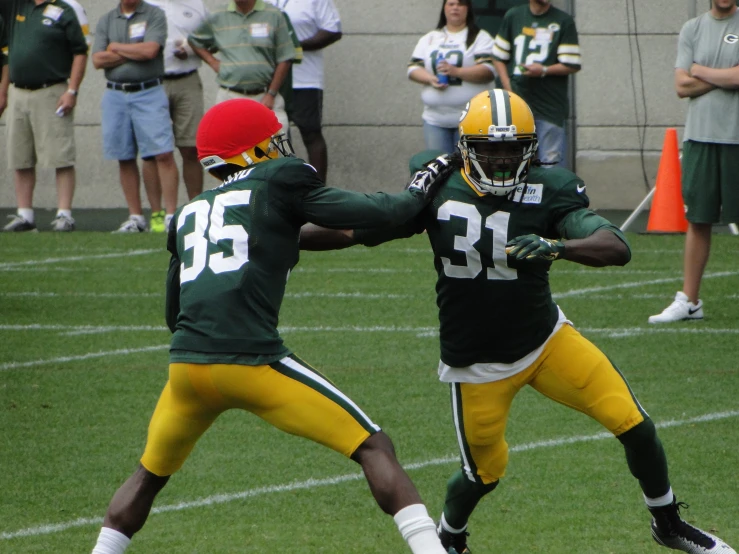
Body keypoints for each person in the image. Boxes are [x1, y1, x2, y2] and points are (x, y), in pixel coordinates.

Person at [299, 89, 736, 554]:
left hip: (546, 340)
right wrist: (280, 236)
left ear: (530, 148)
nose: (504, 161)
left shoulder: (550, 187)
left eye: (513, 149)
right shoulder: (438, 186)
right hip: (476, 361)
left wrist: (558, 246)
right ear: (465, 147)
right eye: (491, 149)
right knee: (482, 474)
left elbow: (615, 246)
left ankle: (668, 524)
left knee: (635, 424)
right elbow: (355, 230)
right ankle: (450, 537)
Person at [88, 98, 454, 554]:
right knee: (374, 446)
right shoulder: (279, 179)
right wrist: (418, 191)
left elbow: (176, 311)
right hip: (252, 362)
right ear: (252, 152)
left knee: (150, 474)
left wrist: (389, 227)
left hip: (186, 372)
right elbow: (376, 211)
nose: (280, 149)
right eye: (271, 142)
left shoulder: (190, 212)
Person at [648, 0, 739, 324]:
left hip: (736, 138)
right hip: (700, 138)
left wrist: (700, 70)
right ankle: (690, 301)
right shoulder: (693, 28)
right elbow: (681, 86)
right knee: (699, 220)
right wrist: (723, 76)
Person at [92, 0, 180, 234]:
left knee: (163, 153)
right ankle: (136, 217)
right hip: (115, 94)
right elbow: (97, 60)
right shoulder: (106, 20)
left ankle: (170, 215)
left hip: (149, 92)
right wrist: (133, 51)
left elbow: (150, 50)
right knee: (124, 155)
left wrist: (115, 48)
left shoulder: (154, 14)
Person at [1, 0, 88, 233]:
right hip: (18, 91)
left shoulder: (64, 11)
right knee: (20, 157)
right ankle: (25, 214)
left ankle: (64, 214)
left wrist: (72, 91)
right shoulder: (17, 6)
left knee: (61, 155)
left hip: (52, 91)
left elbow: (80, 52)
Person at [143, 0, 209, 231]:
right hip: (152, 81)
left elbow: (211, 39)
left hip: (187, 79)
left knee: (192, 148)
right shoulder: (146, 4)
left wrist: (191, 49)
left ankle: (195, 211)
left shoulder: (197, 4)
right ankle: (157, 215)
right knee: (154, 152)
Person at [492, 0, 581, 169]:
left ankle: (549, 196)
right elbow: (498, 57)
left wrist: (544, 70)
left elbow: (571, 63)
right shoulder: (514, 15)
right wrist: (509, 89)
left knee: (551, 165)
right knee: (513, 163)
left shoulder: (563, 20)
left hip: (549, 106)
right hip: (516, 105)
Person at [188, 0, 297, 134]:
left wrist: (271, 94)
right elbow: (194, 40)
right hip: (229, 97)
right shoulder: (218, 15)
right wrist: (213, 62)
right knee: (230, 150)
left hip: (266, 98)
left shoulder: (273, 15)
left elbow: (285, 58)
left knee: (278, 150)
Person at [265, 0, 342, 182]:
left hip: (305, 79)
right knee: (276, 135)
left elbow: (333, 30)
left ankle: (317, 190)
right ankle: (284, 184)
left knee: (310, 132)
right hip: (269, 81)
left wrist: (292, 46)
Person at [408, 0, 495, 154]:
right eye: (451, 3)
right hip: (435, 119)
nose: (455, 7)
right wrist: (430, 79)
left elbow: (488, 71)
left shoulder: (480, 37)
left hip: (471, 120)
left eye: (461, 4)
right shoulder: (430, 38)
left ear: (468, 9)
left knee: (467, 170)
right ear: (444, 8)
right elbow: (413, 68)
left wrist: (456, 72)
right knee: (439, 168)